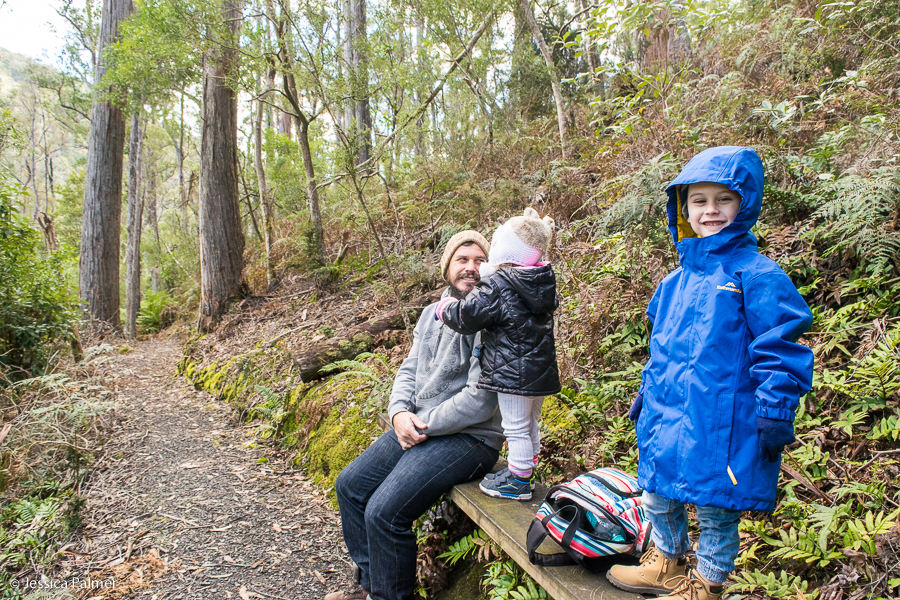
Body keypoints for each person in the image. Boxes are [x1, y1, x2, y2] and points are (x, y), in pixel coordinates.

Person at [606, 146, 814, 600]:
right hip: (668, 410)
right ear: (682, 208)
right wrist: (647, 393)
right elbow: (659, 348)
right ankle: (666, 561)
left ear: (745, 204)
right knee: (658, 491)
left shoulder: (756, 275)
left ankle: (707, 583)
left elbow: (780, 346)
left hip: (724, 416)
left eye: (723, 199)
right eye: (698, 200)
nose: (710, 210)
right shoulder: (672, 282)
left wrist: (776, 407)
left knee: (716, 504)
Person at [325, 231, 504, 600]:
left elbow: (481, 401)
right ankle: (374, 588)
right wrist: (398, 414)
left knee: (385, 513)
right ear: (447, 268)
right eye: (462, 259)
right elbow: (409, 369)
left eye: (479, 261)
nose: (471, 267)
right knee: (350, 487)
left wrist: (420, 424)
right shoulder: (430, 314)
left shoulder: (491, 319)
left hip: (470, 438)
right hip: (419, 426)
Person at [436, 208, 561, 501]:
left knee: (515, 426)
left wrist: (444, 310)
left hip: (513, 371)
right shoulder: (539, 280)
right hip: (539, 370)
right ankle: (526, 470)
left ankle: (518, 481)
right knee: (530, 423)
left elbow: (469, 315)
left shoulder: (499, 283)